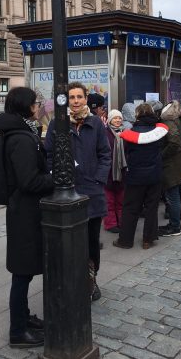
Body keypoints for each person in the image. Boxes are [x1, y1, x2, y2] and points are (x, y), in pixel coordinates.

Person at [0, 87, 54, 348]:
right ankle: (18, 330)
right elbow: (29, 180)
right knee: (22, 272)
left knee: (23, 271)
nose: (39, 107)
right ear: (28, 107)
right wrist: (56, 179)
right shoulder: (22, 139)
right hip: (25, 213)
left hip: (22, 210)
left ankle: (24, 317)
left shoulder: (19, 133)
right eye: (36, 103)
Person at [45, 82, 111, 301]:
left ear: (85, 99)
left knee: (92, 240)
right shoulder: (57, 123)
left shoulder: (96, 124)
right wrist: (57, 176)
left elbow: (105, 154)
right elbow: (49, 155)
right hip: (67, 193)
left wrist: (98, 179)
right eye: (71, 97)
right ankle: (71, 280)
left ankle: (91, 279)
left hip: (92, 191)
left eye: (79, 97)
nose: (75, 101)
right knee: (68, 241)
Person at [113, 103, 166, 249]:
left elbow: (126, 152)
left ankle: (125, 240)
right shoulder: (159, 131)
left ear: (137, 115)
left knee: (130, 208)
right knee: (151, 208)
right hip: (154, 175)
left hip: (135, 176)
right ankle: (148, 240)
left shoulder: (131, 132)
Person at [158, 100, 181, 237]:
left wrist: (161, 155)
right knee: (174, 196)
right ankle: (175, 224)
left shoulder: (169, 121)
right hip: (179, 163)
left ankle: (175, 226)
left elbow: (174, 141)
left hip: (172, 165)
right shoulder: (179, 119)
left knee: (172, 197)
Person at [104, 109, 126, 233]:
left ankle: (121, 221)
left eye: (119, 118)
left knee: (121, 200)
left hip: (122, 172)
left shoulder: (125, 133)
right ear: (110, 120)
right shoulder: (105, 133)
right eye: (115, 118)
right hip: (109, 172)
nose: (117, 120)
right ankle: (111, 223)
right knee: (109, 201)